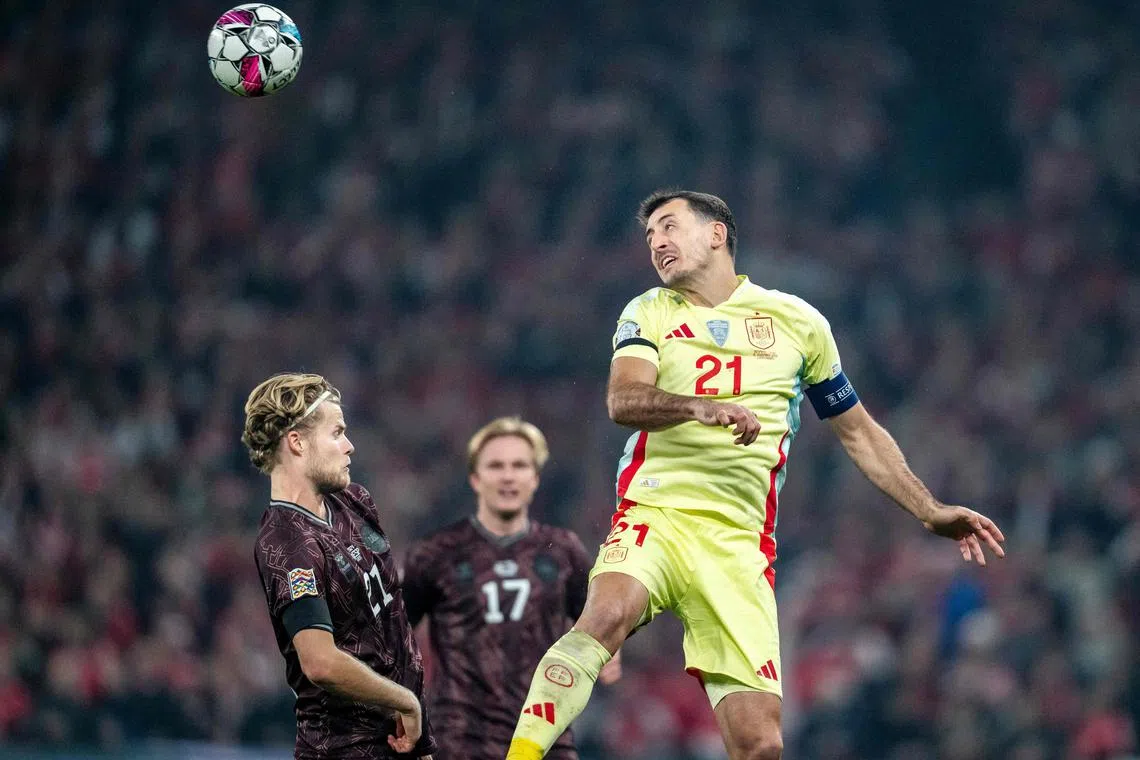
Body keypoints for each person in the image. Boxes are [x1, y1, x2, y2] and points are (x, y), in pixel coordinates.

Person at [506, 190, 1007, 760]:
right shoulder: (648, 310)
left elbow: (858, 431)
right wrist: (698, 406)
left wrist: (929, 509)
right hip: (657, 514)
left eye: (669, 228)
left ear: (717, 234)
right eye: (649, 238)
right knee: (605, 617)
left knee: (760, 743)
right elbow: (623, 398)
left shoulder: (799, 323)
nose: (657, 244)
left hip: (740, 545)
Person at [402, 417, 621, 760]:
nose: (508, 476)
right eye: (496, 466)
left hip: (546, 735)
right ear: (475, 478)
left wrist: (609, 650)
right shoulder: (435, 553)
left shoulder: (564, 550)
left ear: (535, 478)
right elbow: (395, 636)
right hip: (459, 740)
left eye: (519, 466)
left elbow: (599, 623)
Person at [243, 372, 436, 759]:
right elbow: (320, 662)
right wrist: (405, 701)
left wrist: (419, 731)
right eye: (336, 433)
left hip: (402, 737)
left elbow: (389, 619)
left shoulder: (355, 502)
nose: (349, 446)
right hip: (343, 748)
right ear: (296, 442)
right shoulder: (287, 542)